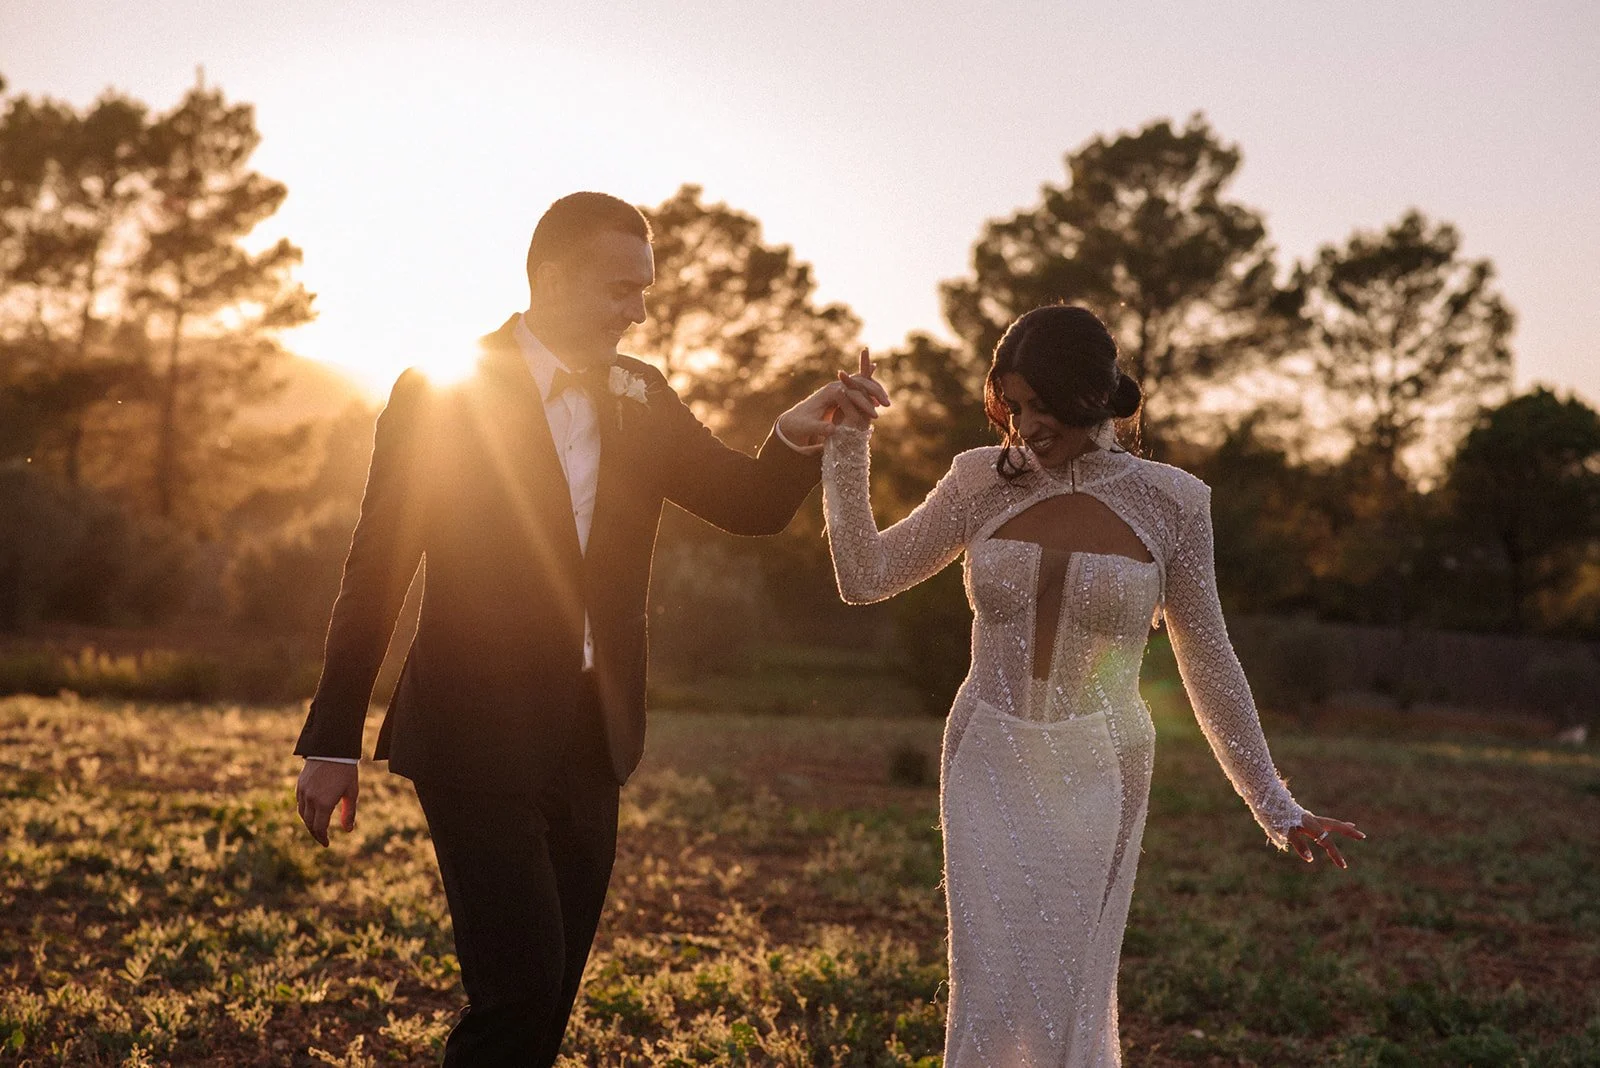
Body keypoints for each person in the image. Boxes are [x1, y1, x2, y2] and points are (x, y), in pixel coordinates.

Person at [292, 191, 886, 1066]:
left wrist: (798, 436)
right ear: (552, 277)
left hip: (592, 738)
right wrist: (332, 738)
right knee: (519, 992)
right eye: (620, 288)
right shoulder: (442, 392)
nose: (637, 311)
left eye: (643, 289)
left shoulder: (641, 393)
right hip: (470, 734)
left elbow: (748, 506)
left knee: (550, 1000)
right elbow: (377, 567)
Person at [820, 305, 1363, 1067]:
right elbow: (866, 575)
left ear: (1091, 395)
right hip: (986, 753)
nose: (1025, 426)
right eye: (1013, 406)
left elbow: (1207, 657)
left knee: (1069, 987)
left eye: (1041, 405)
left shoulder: (1174, 503)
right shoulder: (980, 479)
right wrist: (849, 443)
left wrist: (1273, 802)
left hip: (1101, 765)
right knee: (990, 986)